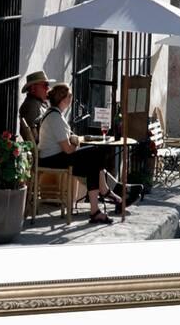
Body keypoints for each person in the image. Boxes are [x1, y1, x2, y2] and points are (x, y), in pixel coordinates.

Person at [38, 83, 124, 224]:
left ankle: (96, 210)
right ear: (64, 99)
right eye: (70, 98)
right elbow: (68, 149)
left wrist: (73, 140)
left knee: (93, 163)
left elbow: (66, 140)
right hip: (52, 159)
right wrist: (76, 142)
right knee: (95, 153)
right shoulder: (55, 117)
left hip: (54, 157)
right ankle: (104, 192)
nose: (71, 101)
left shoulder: (54, 114)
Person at [19, 70, 55, 143]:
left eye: (48, 85)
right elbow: (33, 138)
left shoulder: (39, 103)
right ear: (33, 88)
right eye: (45, 85)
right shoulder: (32, 105)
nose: (48, 88)